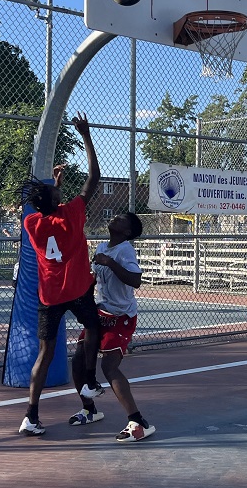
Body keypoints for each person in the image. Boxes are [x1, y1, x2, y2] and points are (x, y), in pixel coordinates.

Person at [18, 112, 104, 437]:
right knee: (93, 327)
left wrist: (53, 188)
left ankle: (31, 415)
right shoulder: (71, 214)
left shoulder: (32, 223)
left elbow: (47, 209)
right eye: (56, 194)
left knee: (46, 352)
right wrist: (86, 135)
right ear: (56, 201)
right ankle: (91, 380)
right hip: (77, 291)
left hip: (50, 296)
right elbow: (94, 177)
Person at [67, 211, 156, 443]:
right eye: (114, 216)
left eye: (120, 219)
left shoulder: (125, 250)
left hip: (120, 316)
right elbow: (95, 279)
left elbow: (136, 280)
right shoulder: (101, 247)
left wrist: (111, 263)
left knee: (109, 366)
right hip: (100, 313)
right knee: (78, 360)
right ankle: (89, 409)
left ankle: (138, 421)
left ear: (127, 231)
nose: (114, 218)